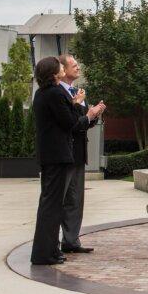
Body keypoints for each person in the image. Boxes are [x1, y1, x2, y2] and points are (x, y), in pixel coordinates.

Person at [30, 56, 103, 265]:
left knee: (50, 205)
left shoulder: (43, 93)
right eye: (61, 66)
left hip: (53, 155)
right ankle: (45, 253)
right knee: (51, 206)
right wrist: (85, 112)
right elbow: (70, 123)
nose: (64, 68)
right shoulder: (55, 93)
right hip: (58, 155)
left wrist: (79, 108)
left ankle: (49, 251)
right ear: (55, 73)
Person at [57, 54, 95, 254]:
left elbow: (82, 123)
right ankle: (52, 243)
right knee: (60, 199)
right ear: (62, 70)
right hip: (64, 154)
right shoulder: (58, 93)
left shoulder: (78, 92)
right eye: (74, 65)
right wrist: (80, 110)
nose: (78, 68)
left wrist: (93, 115)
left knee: (75, 200)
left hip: (78, 154)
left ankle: (71, 240)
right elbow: (69, 123)